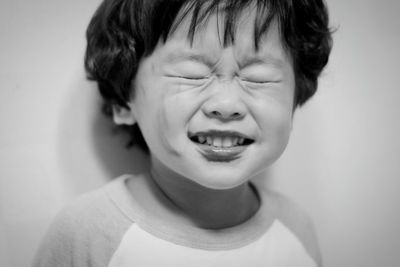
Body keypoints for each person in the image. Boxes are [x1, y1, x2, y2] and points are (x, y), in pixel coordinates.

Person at [33, 0, 332, 266]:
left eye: (259, 78)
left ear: (295, 100)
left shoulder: (296, 228)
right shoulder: (86, 234)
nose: (226, 105)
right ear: (124, 99)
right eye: (191, 74)